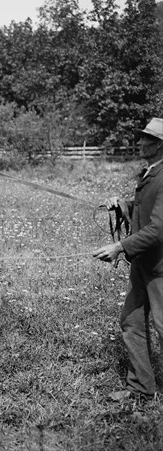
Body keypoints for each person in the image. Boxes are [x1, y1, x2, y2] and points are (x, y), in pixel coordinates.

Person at [92, 118, 163, 400]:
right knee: (131, 323)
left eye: (145, 139)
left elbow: (158, 229)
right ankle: (142, 388)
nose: (140, 142)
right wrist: (123, 204)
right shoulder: (150, 173)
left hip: (160, 269)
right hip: (143, 265)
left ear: (158, 145)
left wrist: (119, 246)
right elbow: (145, 207)